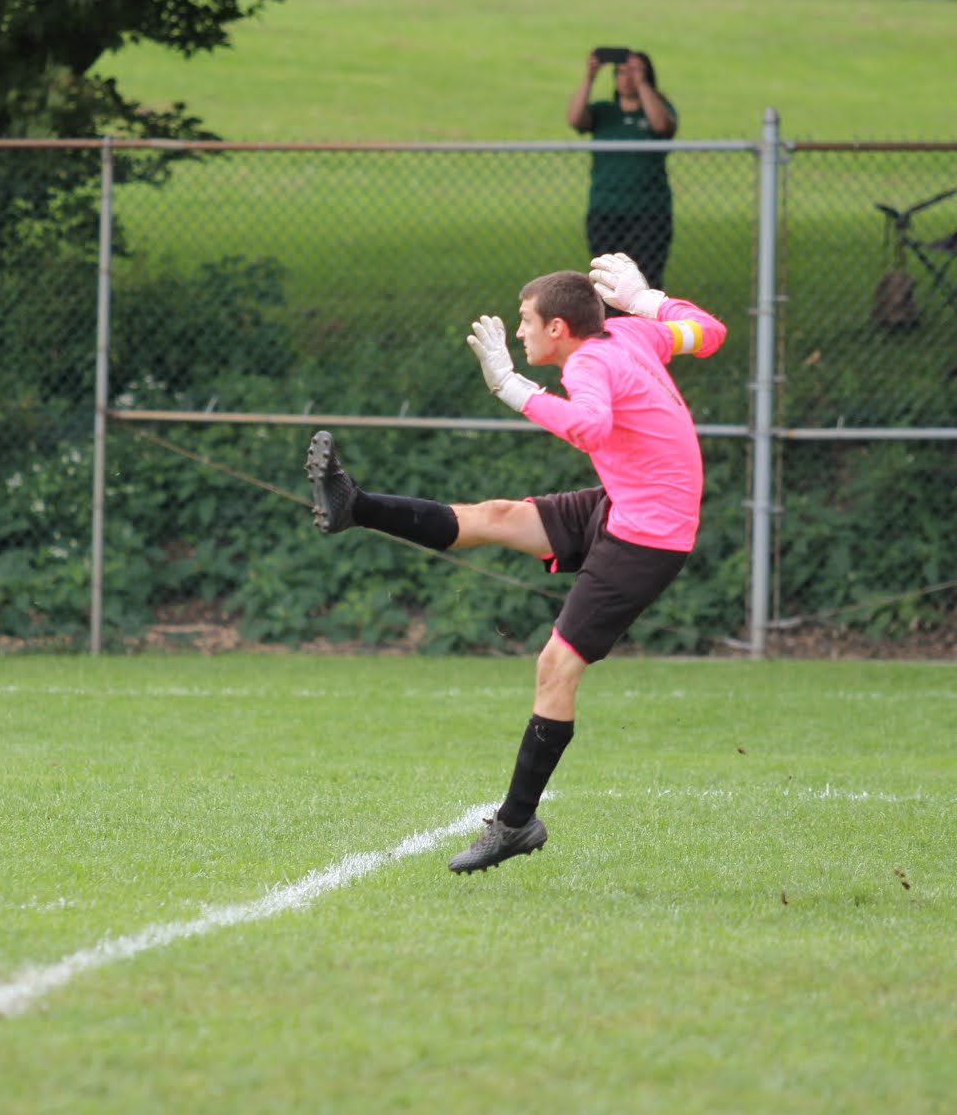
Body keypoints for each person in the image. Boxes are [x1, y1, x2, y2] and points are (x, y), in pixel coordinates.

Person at [305, 253, 726, 874]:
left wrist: (510, 387)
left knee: (556, 667)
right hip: (627, 502)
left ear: (559, 327)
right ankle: (354, 506)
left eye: (527, 320)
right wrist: (646, 302)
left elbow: (589, 426)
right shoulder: (631, 331)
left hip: (648, 533)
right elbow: (707, 332)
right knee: (497, 516)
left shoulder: (590, 358)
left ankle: (515, 822)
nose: (520, 331)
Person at [568, 48, 679, 289]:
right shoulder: (604, 112)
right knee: (606, 282)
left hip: (649, 210)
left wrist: (643, 85)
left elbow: (662, 125)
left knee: (647, 281)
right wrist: (589, 77)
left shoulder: (659, 109)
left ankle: (644, 327)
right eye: (621, 72)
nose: (626, 78)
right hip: (606, 208)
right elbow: (575, 119)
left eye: (634, 72)